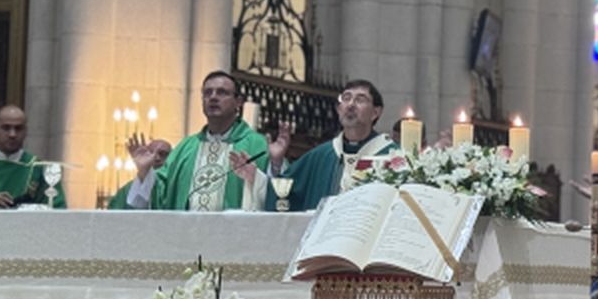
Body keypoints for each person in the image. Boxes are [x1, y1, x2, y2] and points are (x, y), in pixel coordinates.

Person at [239, 79, 397, 212]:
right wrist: (260, 175)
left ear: (375, 112)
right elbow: (285, 195)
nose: (350, 105)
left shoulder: (392, 157)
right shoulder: (321, 155)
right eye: (346, 98)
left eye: (360, 100)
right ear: (338, 109)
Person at [123, 73, 268, 211]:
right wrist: (145, 172)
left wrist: (256, 179)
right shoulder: (186, 148)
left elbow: (276, 194)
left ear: (238, 102)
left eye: (222, 92)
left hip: (235, 229)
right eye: (207, 93)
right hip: (187, 229)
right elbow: (161, 194)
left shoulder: (257, 145)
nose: (213, 97)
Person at [0, 105, 66, 210]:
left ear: (26, 131)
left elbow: (57, 209)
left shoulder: (39, 168)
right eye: (6, 128)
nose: (12, 134)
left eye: (18, 128)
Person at [106, 140, 171, 210]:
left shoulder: (173, 187)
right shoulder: (126, 190)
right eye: (151, 153)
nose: (156, 158)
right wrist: (143, 171)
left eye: (163, 154)